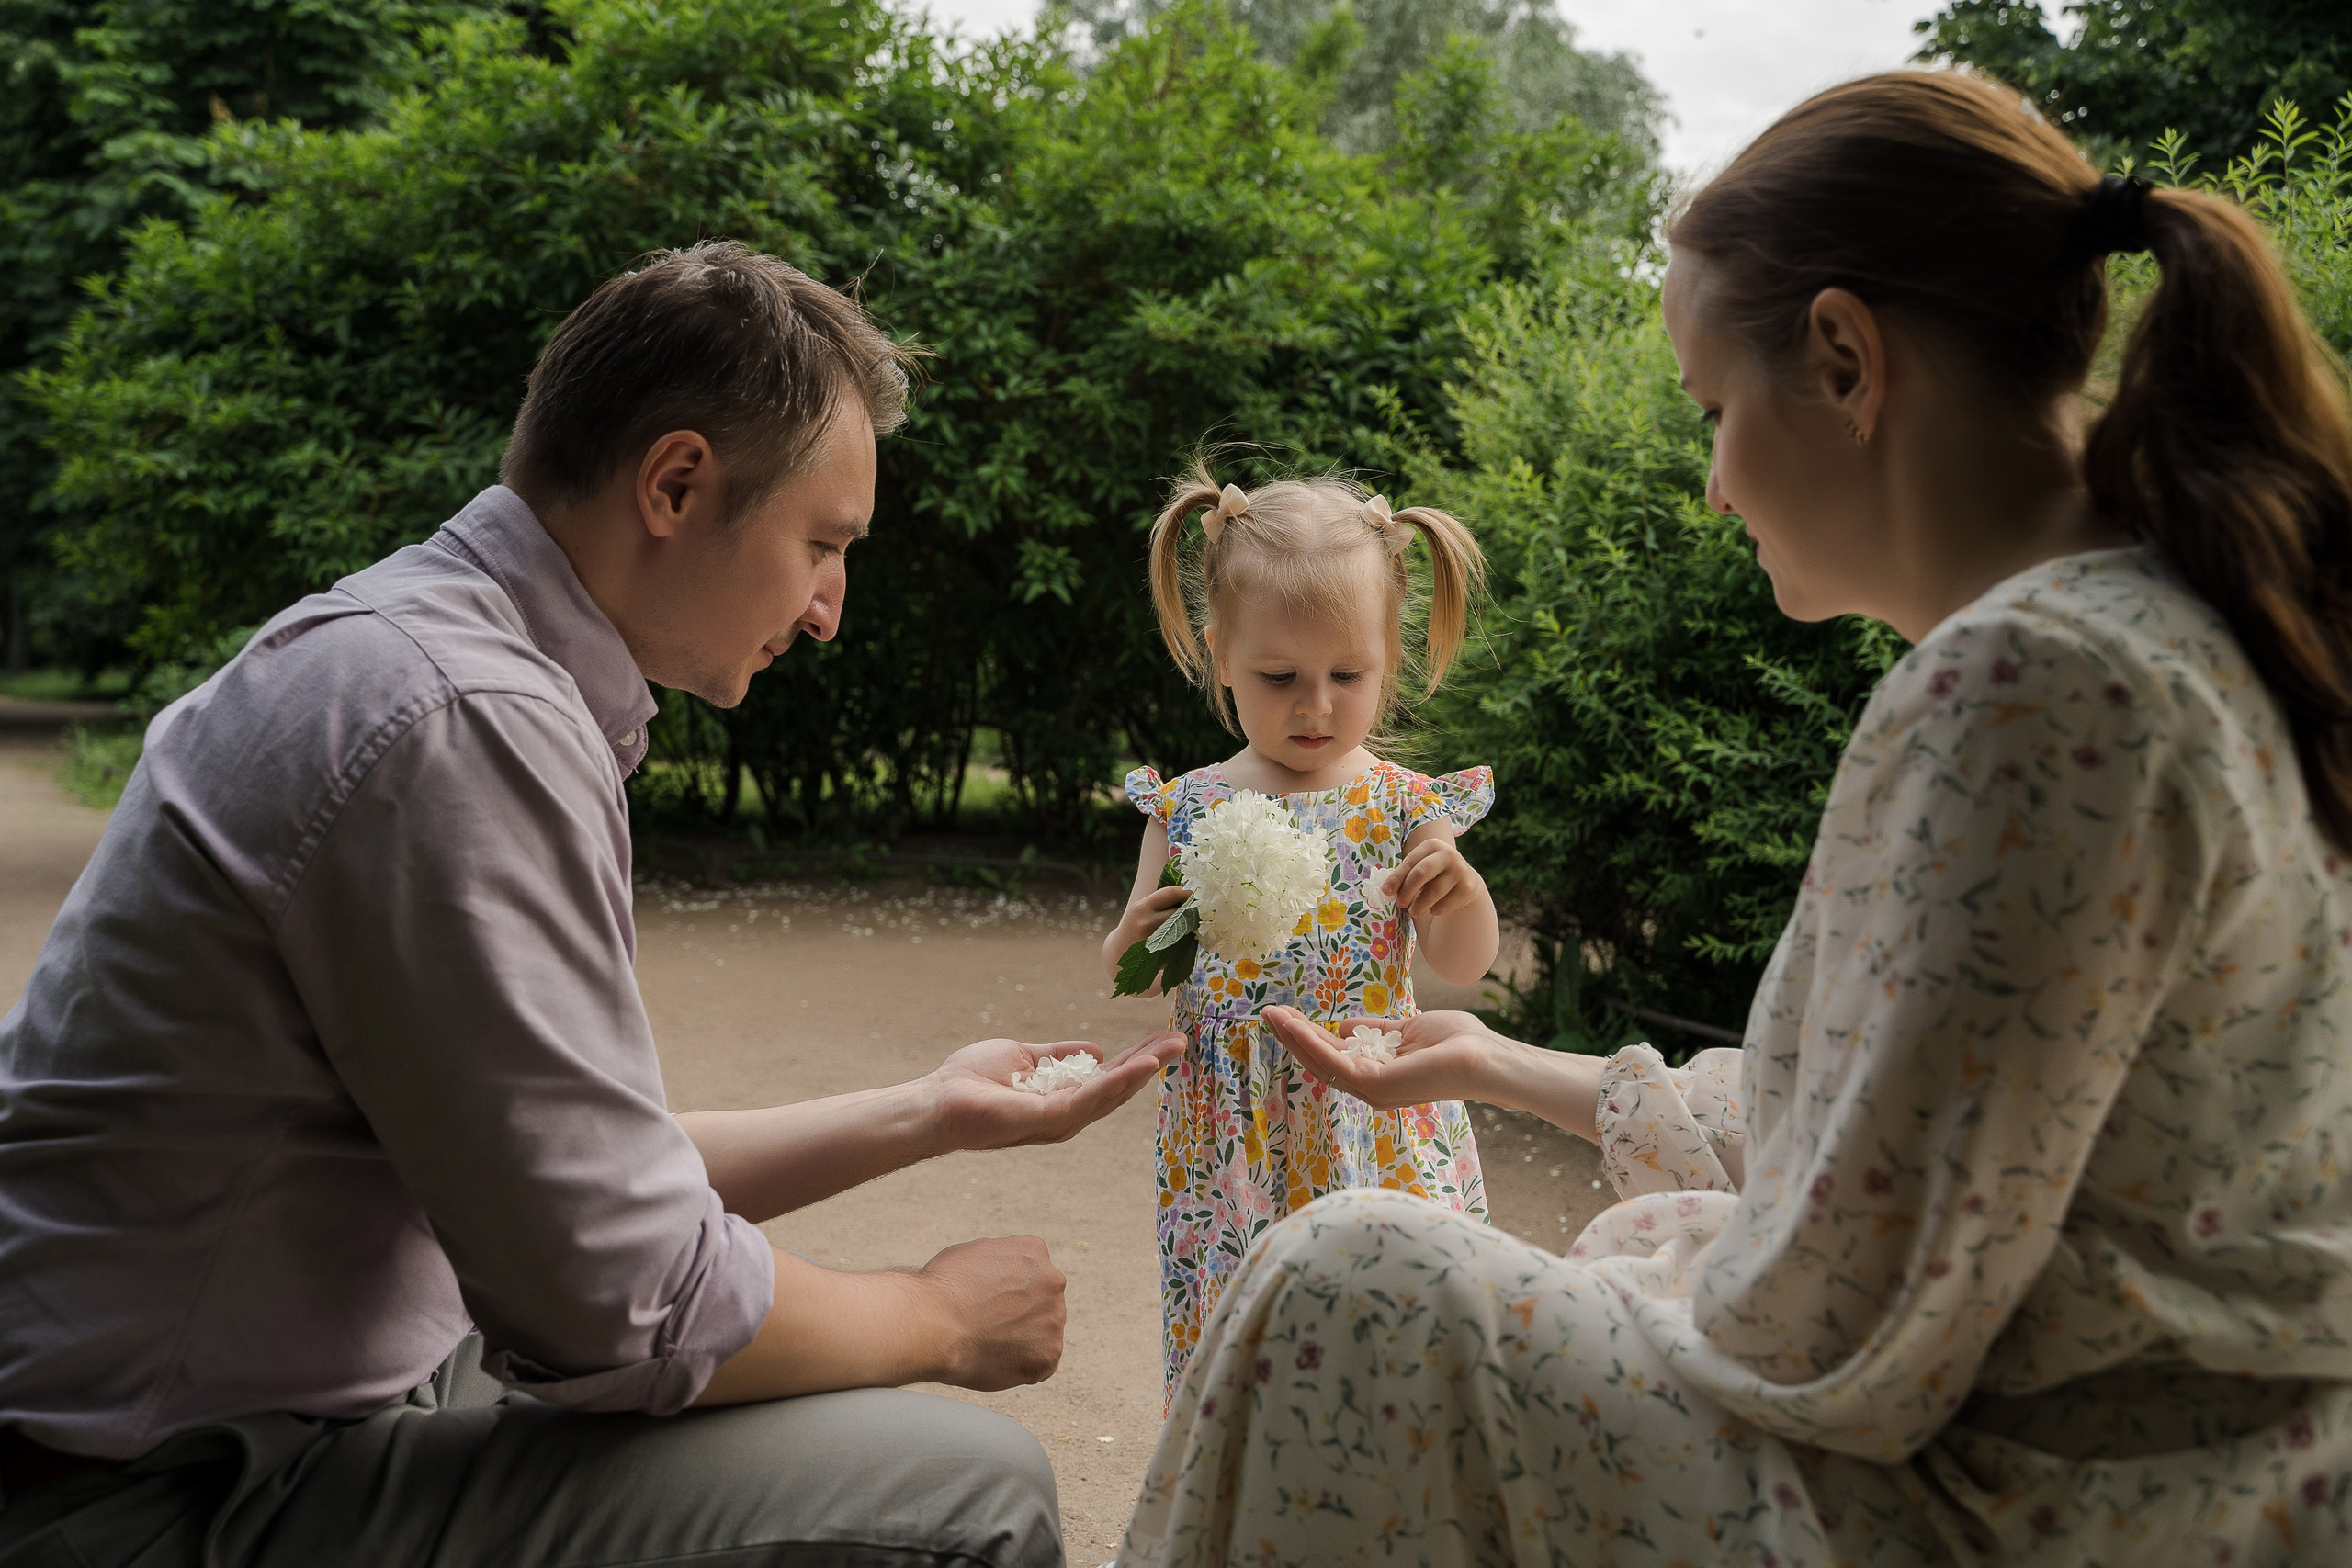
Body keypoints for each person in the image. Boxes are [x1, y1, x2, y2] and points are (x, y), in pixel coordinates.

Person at [1115, 69, 2352, 1566]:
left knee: (1346, 1280)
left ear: (1844, 360)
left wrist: (1642, 1261)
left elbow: (1833, 1321)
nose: (1709, 482)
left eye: (1713, 410)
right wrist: (1509, 1065)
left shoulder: (2038, 684)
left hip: (2061, 1501)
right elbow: (1898, 1144)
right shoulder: (2135, 629)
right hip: (2136, 1458)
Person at [0, 240, 1183, 1567]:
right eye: (824, 542)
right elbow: (616, 1303)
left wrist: (930, 1111)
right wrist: (936, 1314)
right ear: (676, 483)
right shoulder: (464, 720)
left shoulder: (418, 655)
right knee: (973, 1491)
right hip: (153, 1489)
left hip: (229, 1413)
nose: (830, 608)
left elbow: (567, 1184)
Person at [1101, 468, 1500, 1402]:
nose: (1315, 707)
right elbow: (1130, 973)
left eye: (1347, 677)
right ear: (1221, 656)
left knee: (1389, 1362)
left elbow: (1461, 965)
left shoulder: (1406, 808)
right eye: (1280, 678)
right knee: (1242, 1366)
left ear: (1385, 666)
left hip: (1375, 1117)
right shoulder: (1190, 806)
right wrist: (1137, 933)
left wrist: (1461, 891)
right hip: (1231, 1140)